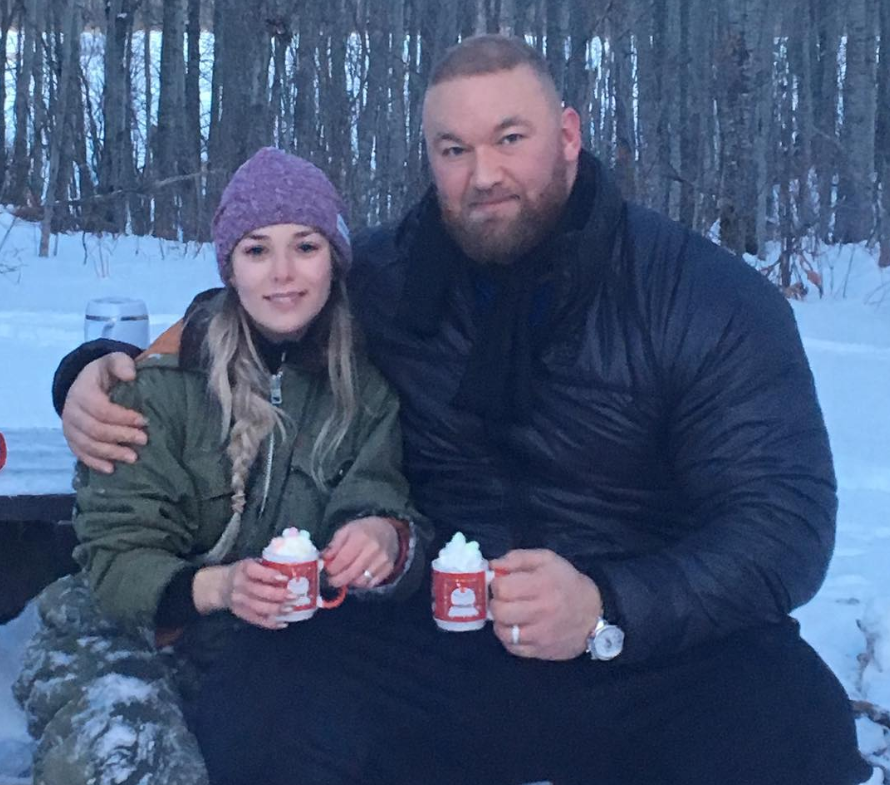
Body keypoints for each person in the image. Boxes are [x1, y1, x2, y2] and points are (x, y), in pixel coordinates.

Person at [48, 35, 871, 785]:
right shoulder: (384, 275)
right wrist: (93, 371)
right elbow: (255, 304)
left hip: (646, 641)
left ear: (569, 136)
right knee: (262, 703)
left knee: (796, 731)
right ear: (431, 160)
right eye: (455, 149)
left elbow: (785, 523)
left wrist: (609, 603)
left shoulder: (705, 296)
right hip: (435, 630)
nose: (483, 174)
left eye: (511, 139)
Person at [14, 148, 429, 785]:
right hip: (121, 639)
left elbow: (377, 491)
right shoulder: (156, 385)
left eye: (306, 246)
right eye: (257, 250)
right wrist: (221, 588)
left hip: (268, 649)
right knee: (134, 758)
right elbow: (115, 556)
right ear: (229, 267)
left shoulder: (363, 388)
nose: (283, 274)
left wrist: (379, 537)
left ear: (336, 261)